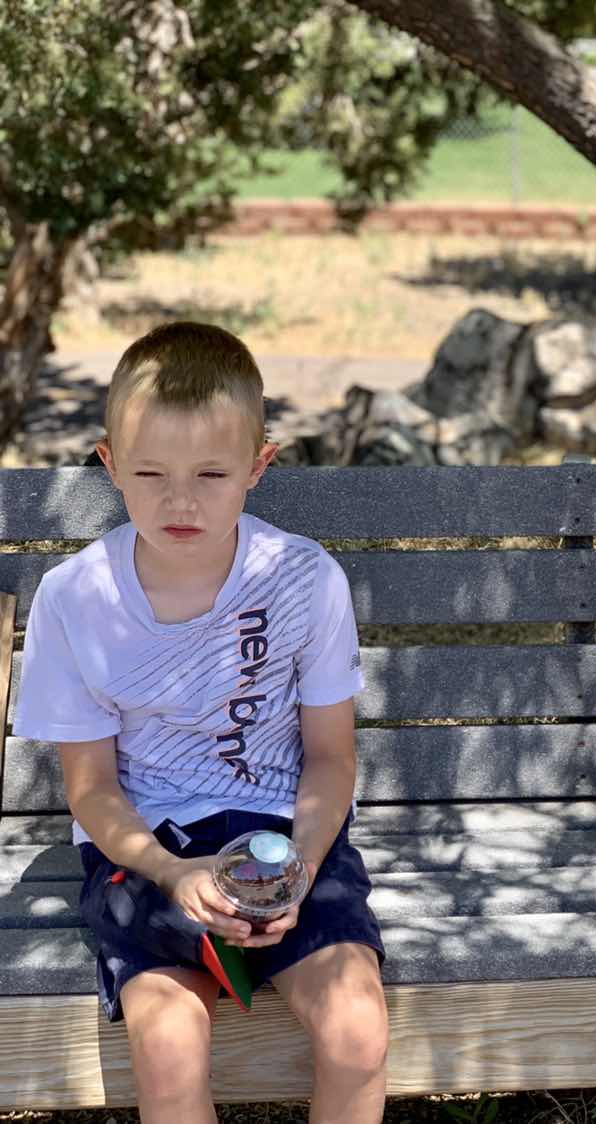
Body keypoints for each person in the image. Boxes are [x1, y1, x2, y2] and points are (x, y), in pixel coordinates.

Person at [13, 322, 388, 1123]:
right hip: (149, 848)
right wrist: (171, 874)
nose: (179, 501)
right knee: (170, 1046)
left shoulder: (304, 579)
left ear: (258, 466)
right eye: (150, 473)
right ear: (110, 464)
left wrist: (300, 869)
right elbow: (92, 789)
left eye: (212, 474)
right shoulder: (75, 598)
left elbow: (330, 758)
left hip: (286, 836)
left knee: (358, 1032)